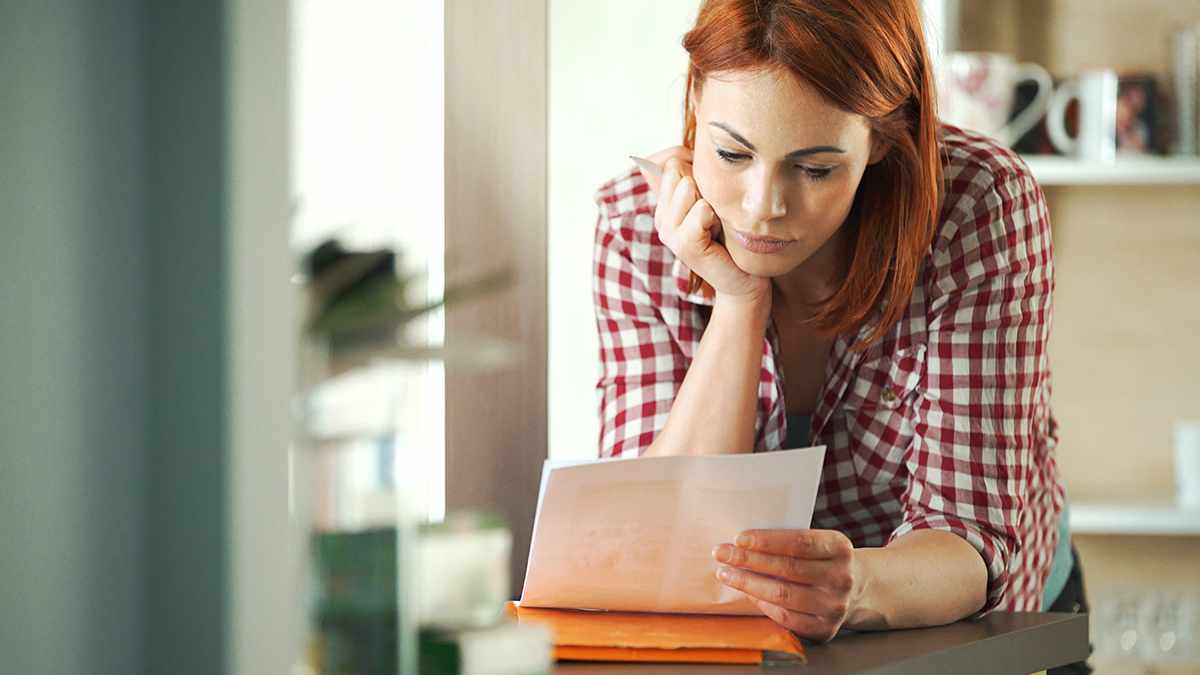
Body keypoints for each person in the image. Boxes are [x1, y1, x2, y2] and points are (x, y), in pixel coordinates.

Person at [591, 0, 1089, 669]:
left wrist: (854, 586)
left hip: (982, 630)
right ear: (695, 102)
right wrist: (739, 301)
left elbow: (967, 537)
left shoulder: (980, 204)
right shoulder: (634, 226)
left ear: (883, 137)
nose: (762, 206)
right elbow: (657, 539)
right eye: (731, 152)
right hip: (760, 644)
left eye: (816, 167)